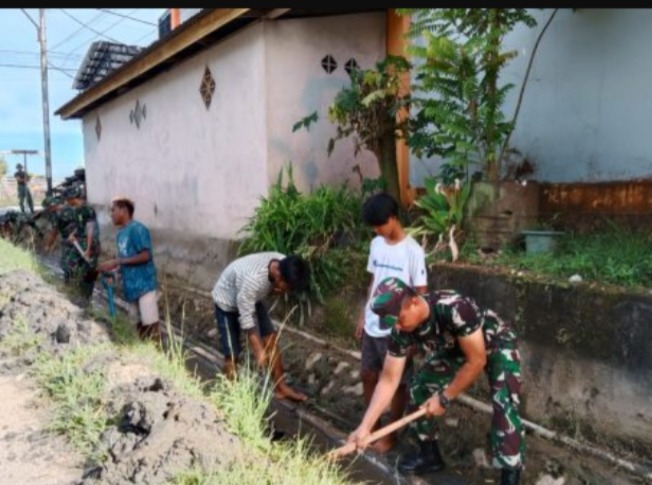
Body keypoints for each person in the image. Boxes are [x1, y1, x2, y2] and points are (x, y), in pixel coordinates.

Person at [345, 276, 525, 485]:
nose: (398, 327)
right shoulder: (401, 330)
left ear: (414, 302)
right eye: (392, 322)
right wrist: (365, 426)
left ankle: (510, 477)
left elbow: (476, 361)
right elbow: (388, 380)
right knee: (419, 389)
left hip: (495, 341)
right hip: (454, 347)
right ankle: (429, 455)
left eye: (399, 319)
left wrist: (445, 398)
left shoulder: (455, 307)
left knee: (505, 405)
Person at [355, 192, 428, 452]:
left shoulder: (413, 251)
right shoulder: (376, 244)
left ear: (393, 218)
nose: (377, 230)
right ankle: (370, 427)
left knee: (398, 383)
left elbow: (421, 294)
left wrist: (415, 335)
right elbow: (373, 282)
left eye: (380, 224)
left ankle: (391, 433)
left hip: (398, 329)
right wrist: (363, 314)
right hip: (373, 325)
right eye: (373, 226)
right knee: (367, 374)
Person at [211, 251, 310, 402]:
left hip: (250, 297)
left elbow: (253, 301)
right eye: (287, 287)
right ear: (278, 274)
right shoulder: (253, 279)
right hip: (226, 301)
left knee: (271, 339)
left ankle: (281, 387)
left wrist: (275, 289)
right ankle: (231, 396)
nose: (287, 292)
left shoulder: (284, 262)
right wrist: (258, 350)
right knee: (232, 354)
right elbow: (246, 319)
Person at [97, 197, 160, 343]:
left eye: (113, 210)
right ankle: (145, 354)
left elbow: (146, 255)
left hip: (144, 285)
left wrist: (117, 261)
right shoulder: (120, 234)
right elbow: (126, 259)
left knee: (150, 324)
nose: (111, 214)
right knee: (137, 325)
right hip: (131, 287)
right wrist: (115, 271)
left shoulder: (137, 229)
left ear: (124, 210)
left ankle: (158, 356)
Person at [43, 190, 97, 306]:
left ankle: (81, 295)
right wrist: (73, 235)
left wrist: (88, 248)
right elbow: (80, 226)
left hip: (83, 244)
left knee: (80, 269)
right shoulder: (75, 210)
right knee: (75, 266)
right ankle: (78, 293)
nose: (67, 202)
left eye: (68, 199)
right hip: (77, 242)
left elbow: (90, 228)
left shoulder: (85, 209)